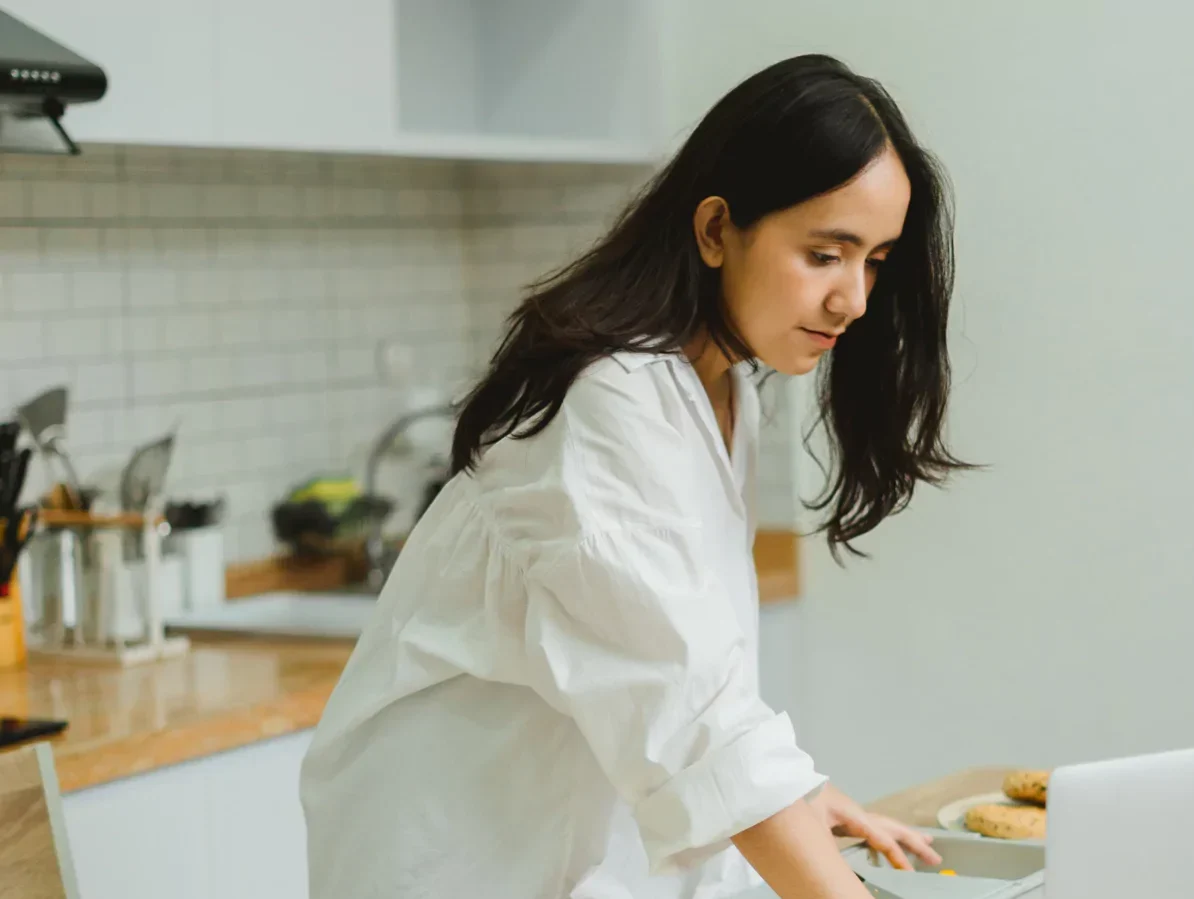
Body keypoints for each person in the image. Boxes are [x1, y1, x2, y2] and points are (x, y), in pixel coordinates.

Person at [301, 53, 967, 899]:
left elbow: (687, 671)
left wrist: (802, 795)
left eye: (873, 260)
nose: (855, 299)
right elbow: (690, 711)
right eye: (825, 254)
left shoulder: (723, 390)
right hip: (445, 865)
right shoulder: (603, 399)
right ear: (717, 228)